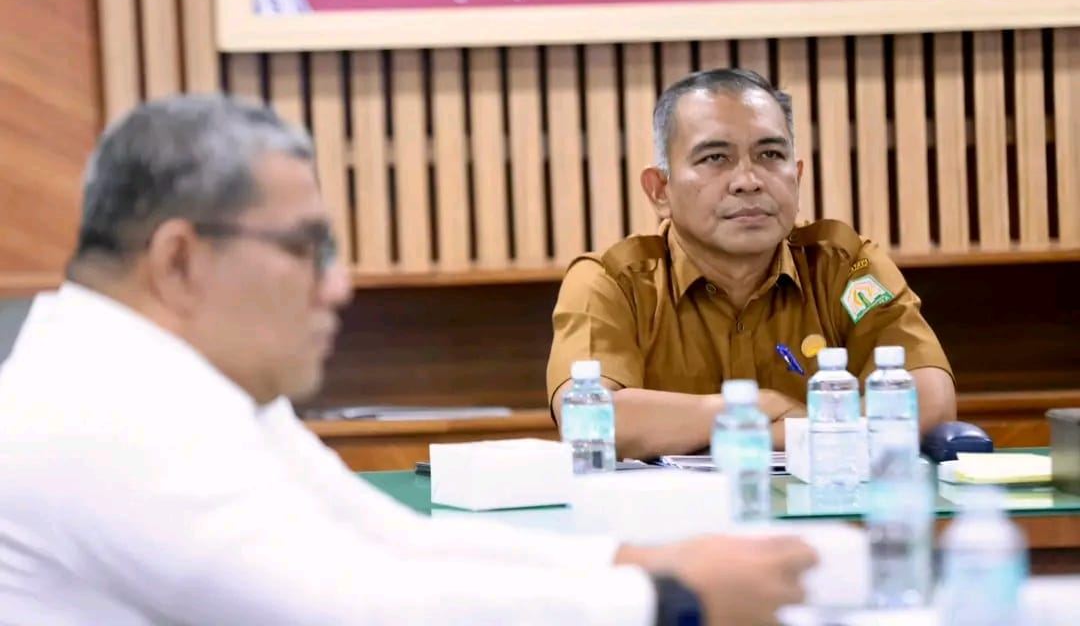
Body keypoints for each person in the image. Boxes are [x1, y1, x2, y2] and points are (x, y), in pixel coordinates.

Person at [0, 94, 816, 626]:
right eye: (306, 249)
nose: (338, 286)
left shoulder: (180, 378)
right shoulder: (101, 411)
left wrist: (637, 559)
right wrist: (667, 599)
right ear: (179, 261)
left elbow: (383, 539)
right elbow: (348, 607)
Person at [546, 68, 956, 461]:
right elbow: (588, 418)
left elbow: (929, 401)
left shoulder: (842, 265)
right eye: (714, 158)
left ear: (796, 176)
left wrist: (759, 432)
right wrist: (759, 406)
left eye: (770, 154)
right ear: (660, 190)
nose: (748, 180)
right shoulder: (612, 282)